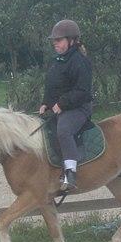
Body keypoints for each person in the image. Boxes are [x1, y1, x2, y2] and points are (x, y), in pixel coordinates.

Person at [39, 19, 93, 191]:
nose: (55, 43)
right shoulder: (58, 60)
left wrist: (62, 103)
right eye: (54, 41)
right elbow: (52, 87)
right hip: (61, 108)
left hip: (79, 108)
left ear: (71, 41)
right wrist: (45, 104)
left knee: (63, 130)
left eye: (59, 40)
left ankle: (70, 173)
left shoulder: (79, 61)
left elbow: (82, 91)